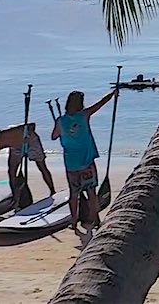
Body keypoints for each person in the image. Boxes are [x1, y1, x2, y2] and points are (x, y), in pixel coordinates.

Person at [53, 88, 116, 231]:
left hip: (71, 163)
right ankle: (95, 220)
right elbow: (99, 104)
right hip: (86, 162)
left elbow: (54, 136)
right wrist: (112, 94)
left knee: (73, 194)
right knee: (91, 192)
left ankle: (74, 221)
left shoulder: (61, 121)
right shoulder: (84, 115)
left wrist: (64, 131)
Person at [0, 122, 57, 200]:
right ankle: (15, 197)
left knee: (41, 167)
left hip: (31, 141)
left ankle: (52, 190)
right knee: (11, 172)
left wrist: (27, 134)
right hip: (15, 148)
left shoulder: (10, 132)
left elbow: (32, 125)